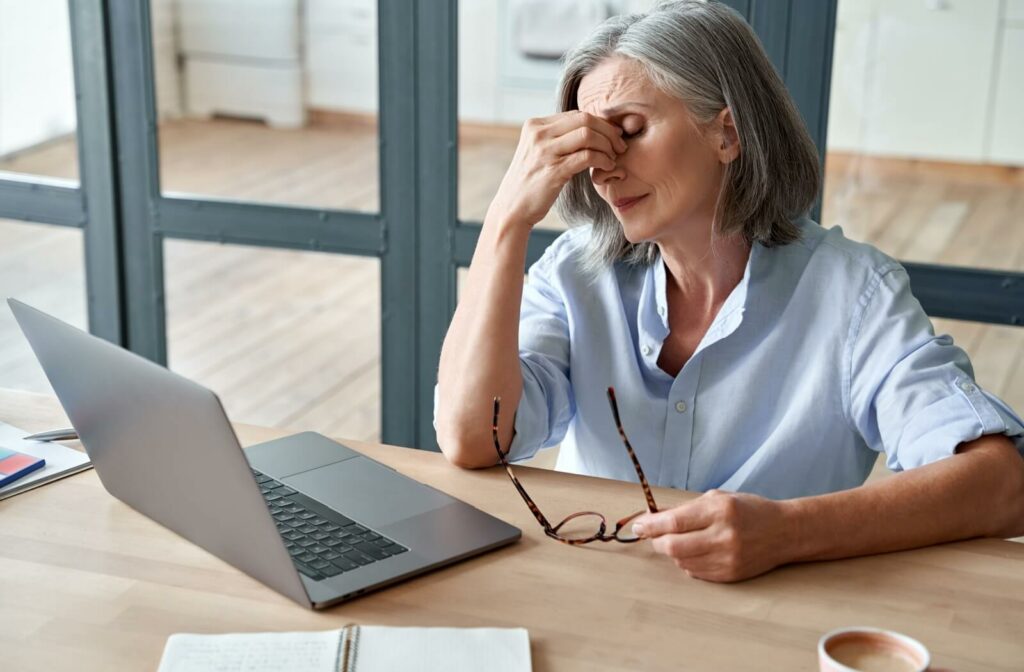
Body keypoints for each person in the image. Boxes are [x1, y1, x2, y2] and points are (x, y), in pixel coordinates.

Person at [434, 0, 1024, 582]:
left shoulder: (853, 295)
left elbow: (1002, 482)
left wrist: (789, 531)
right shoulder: (575, 274)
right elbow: (472, 439)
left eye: (630, 132)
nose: (603, 169)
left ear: (728, 133)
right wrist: (506, 219)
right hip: (599, 603)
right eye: (592, 144)